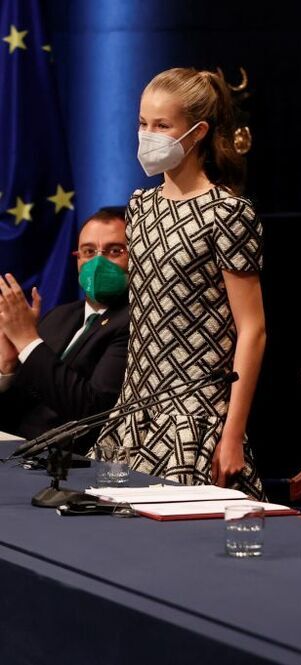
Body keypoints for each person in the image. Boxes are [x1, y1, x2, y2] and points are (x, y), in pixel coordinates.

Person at [97, 67, 266, 498]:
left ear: (197, 132)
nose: (148, 135)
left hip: (193, 420)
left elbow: (253, 330)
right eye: (142, 124)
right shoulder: (139, 205)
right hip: (134, 411)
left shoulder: (227, 213)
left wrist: (232, 434)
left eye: (162, 125)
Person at [0, 207, 129, 452]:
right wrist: (7, 368)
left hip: (70, 465)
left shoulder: (134, 323)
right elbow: (13, 413)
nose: (98, 263)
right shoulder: (60, 315)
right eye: (88, 252)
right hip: (15, 455)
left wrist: (27, 341)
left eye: (114, 251)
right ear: (77, 258)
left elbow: (93, 412)